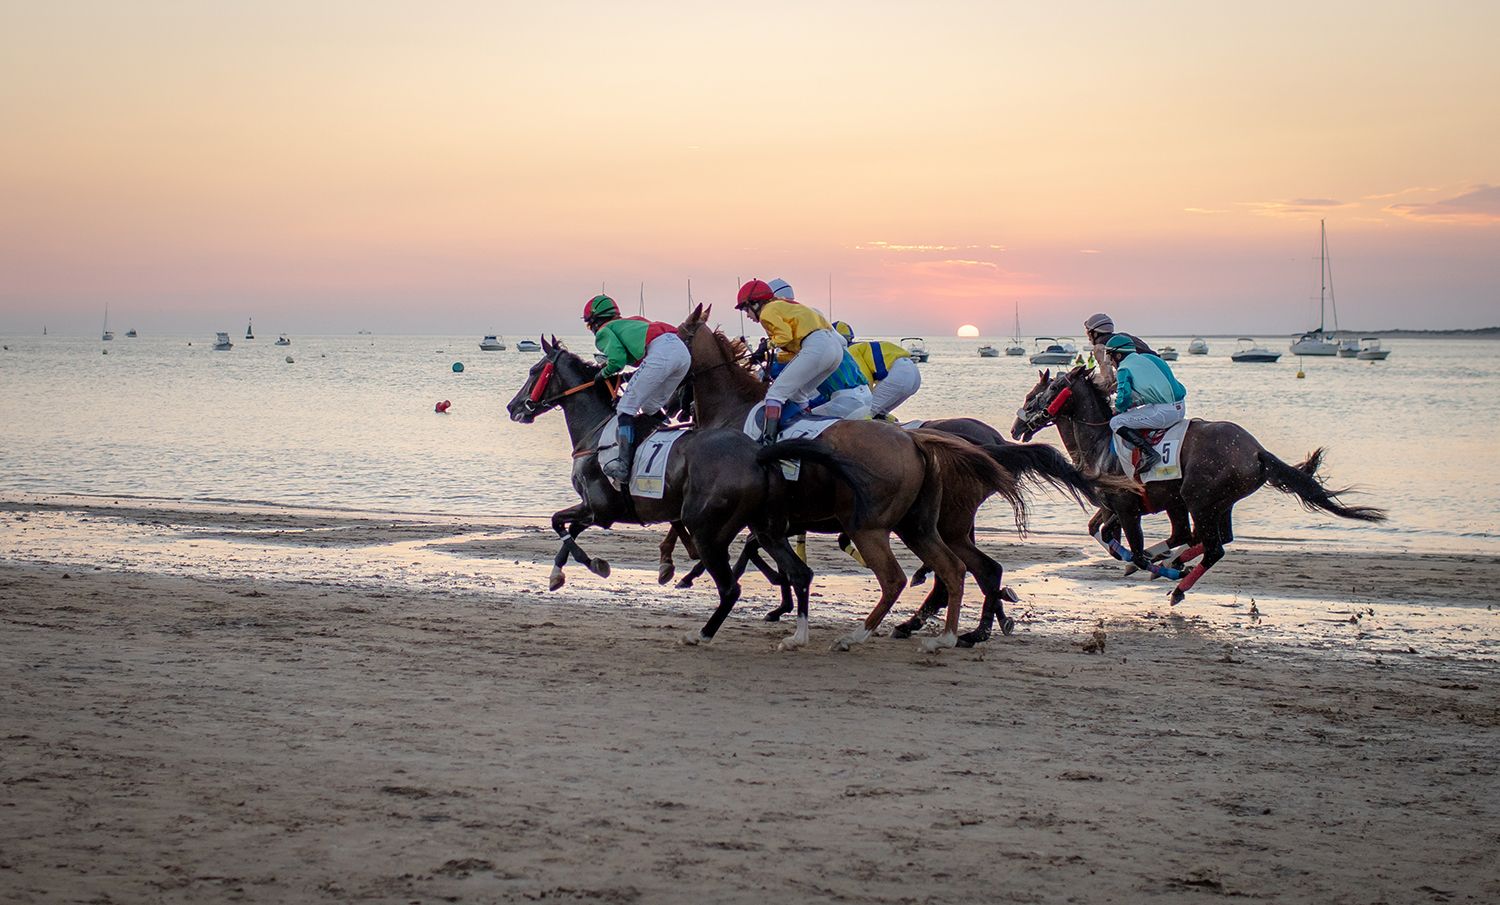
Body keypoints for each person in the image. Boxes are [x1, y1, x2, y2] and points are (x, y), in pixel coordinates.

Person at [583, 294, 691, 482]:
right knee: (650, 407)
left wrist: (602, 374)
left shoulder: (604, 331)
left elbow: (616, 361)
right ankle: (668, 441)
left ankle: (623, 466)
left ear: (594, 321)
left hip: (661, 354)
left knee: (625, 409)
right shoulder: (632, 322)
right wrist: (625, 377)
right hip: (682, 354)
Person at [734, 279, 846, 441]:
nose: (748, 316)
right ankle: (805, 435)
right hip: (833, 350)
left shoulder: (767, 312)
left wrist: (766, 345)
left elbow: (784, 336)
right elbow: (794, 355)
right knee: (799, 394)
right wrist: (765, 356)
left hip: (816, 347)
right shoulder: (786, 306)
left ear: (755, 303)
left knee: (775, 394)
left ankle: (768, 441)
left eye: (746, 310)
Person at [1104, 333, 1187, 476]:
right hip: (1181, 406)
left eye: (1111, 357)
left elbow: (1123, 400)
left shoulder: (1124, 369)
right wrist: (1134, 404)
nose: (1111, 362)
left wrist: (1117, 409)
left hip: (1165, 413)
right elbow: (1155, 393)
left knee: (1116, 422)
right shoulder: (1151, 358)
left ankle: (1149, 453)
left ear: (1118, 356)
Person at [833, 321, 921, 420]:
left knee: (863, 413)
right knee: (880, 413)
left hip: (900, 374)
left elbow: (864, 378)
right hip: (914, 373)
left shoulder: (851, 350)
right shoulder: (861, 345)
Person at [1084, 312, 1156, 391]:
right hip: (1156, 371)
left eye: (1088, 332)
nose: (1088, 337)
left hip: (1146, 379)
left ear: (1095, 333)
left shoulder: (1100, 347)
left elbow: (1108, 380)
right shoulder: (1123, 336)